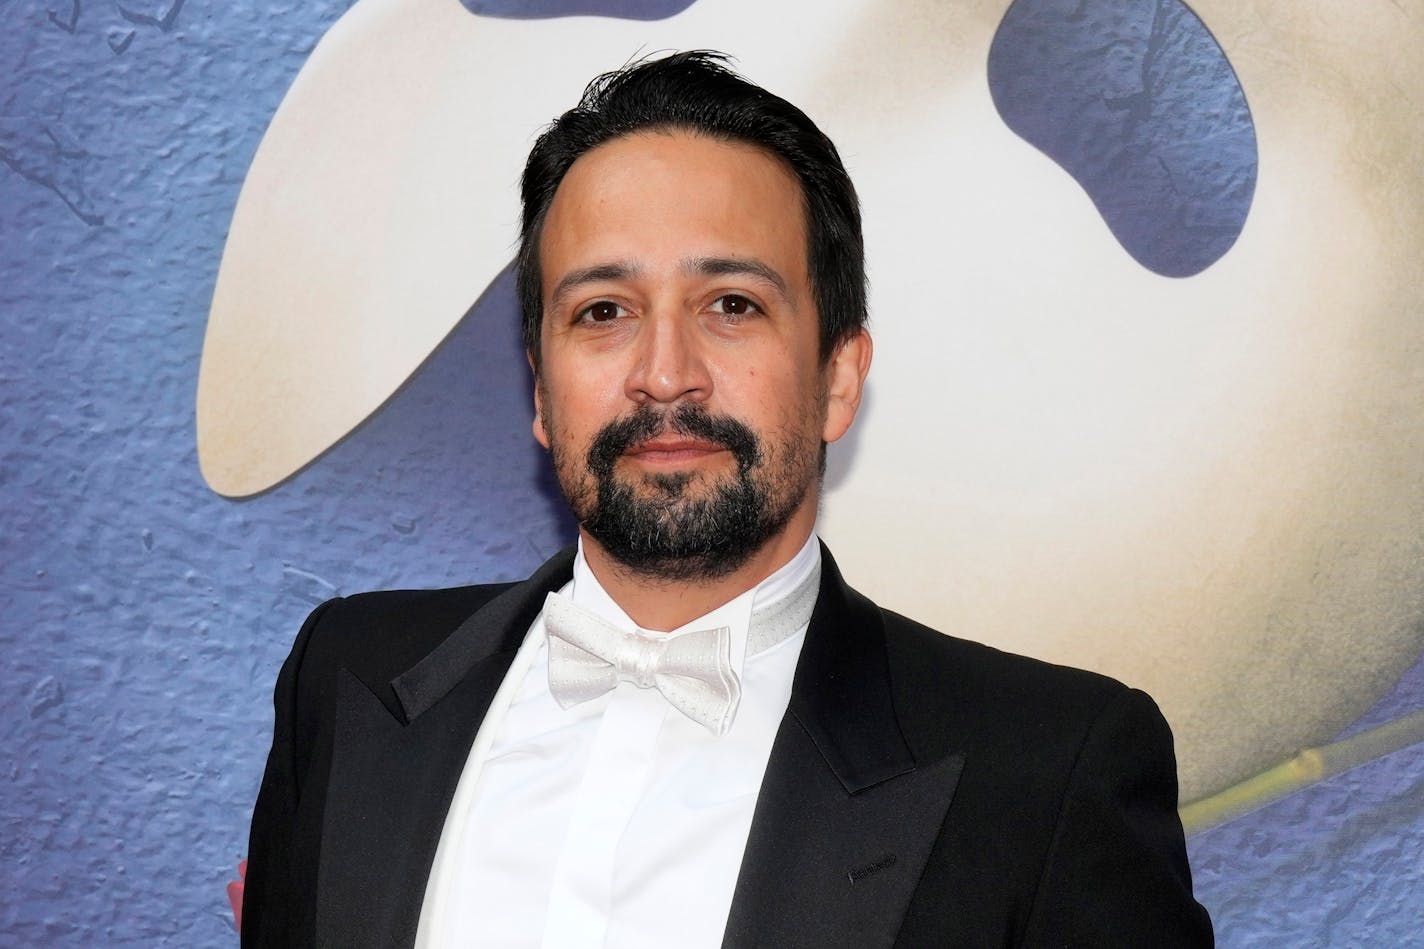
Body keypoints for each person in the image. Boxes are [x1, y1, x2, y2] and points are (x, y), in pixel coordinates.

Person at [241, 50, 1213, 948]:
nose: (665, 375)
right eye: (603, 312)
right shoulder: (345, 683)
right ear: (540, 392)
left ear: (837, 375)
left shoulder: (1044, 774)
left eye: (731, 305)